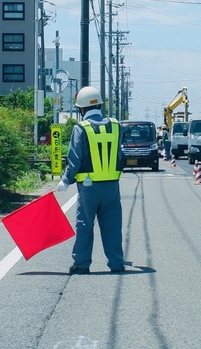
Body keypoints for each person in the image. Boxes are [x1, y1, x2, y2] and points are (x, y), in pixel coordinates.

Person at [56, 86, 125, 274]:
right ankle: (116, 263)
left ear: (81, 109)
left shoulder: (81, 128)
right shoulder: (116, 126)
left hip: (88, 187)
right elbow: (119, 154)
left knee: (85, 224)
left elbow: (74, 158)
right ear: (100, 105)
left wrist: (65, 180)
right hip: (112, 186)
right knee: (112, 225)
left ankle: (81, 264)